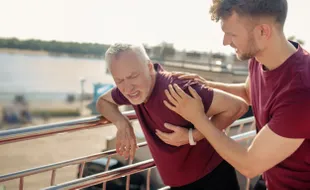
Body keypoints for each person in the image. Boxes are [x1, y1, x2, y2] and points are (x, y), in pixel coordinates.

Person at [162, 0, 310, 189]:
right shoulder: (260, 57)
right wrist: (206, 84)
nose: (225, 42)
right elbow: (249, 92)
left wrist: (198, 119)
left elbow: (249, 165)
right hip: (271, 178)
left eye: (231, 34)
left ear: (263, 32)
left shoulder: (301, 92)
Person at [96, 43, 248, 189]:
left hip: (212, 178)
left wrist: (193, 135)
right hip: (178, 183)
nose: (128, 88)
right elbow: (103, 102)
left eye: (133, 76)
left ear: (149, 67)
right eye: (119, 80)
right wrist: (122, 123)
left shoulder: (177, 89)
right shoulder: (134, 91)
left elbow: (238, 106)